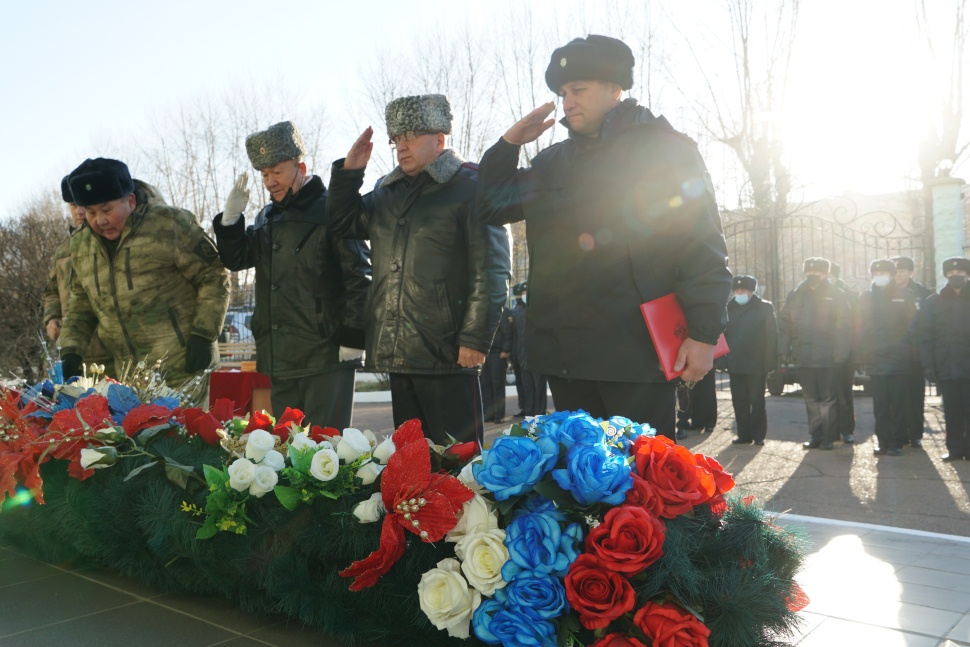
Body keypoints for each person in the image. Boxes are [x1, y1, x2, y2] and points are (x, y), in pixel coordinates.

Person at [475, 34, 732, 439]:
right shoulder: (553, 161)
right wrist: (509, 144)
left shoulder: (664, 150)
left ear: (615, 89)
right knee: (579, 487)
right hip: (567, 355)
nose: (567, 102)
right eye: (562, 93)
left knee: (644, 486)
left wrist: (703, 333)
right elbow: (489, 205)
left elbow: (701, 242)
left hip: (636, 355)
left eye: (578, 89)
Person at [327, 94, 511, 445]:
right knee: (411, 463)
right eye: (396, 138)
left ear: (440, 139)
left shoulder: (471, 187)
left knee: (457, 464)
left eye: (410, 135)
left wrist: (474, 338)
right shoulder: (387, 193)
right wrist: (349, 175)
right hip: (400, 352)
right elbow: (342, 224)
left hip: (448, 352)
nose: (401, 146)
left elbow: (492, 270)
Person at [213, 121, 371, 429]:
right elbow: (237, 259)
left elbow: (359, 275)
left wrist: (353, 337)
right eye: (264, 175)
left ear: (301, 166)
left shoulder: (332, 210)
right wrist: (231, 221)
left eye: (277, 172)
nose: (270, 182)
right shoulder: (266, 218)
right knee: (290, 452)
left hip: (326, 355)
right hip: (280, 358)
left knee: (328, 449)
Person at [58, 158, 230, 388]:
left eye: (107, 210)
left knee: (190, 426)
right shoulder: (81, 245)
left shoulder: (170, 225)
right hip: (129, 380)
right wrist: (71, 351)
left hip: (185, 369)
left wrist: (204, 334)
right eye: (90, 212)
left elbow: (214, 275)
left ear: (130, 200)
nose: (100, 220)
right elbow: (80, 304)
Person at [43, 175, 117, 378]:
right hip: (73, 350)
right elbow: (51, 291)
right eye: (73, 205)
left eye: (84, 205)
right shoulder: (63, 251)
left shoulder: (111, 240)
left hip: (111, 351)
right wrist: (52, 318)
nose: (79, 212)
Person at [778, 257, 852, 450]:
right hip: (804, 356)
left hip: (829, 357)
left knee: (827, 400)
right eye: (809, 271)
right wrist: (783, 350)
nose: (812, 275)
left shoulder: (837, 295)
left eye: (817, 272)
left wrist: (841, 353)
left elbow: (844, 326)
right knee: (811, 399)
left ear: (825, 273)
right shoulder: (796, 294)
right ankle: (815, 436)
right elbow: (785, 324)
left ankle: (828, 438)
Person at [858, 259, 919, 457]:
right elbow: (860, 326)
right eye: (876, 273)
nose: (880, 276)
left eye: (884, 272)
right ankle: (883, 442)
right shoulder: (866, 297)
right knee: (880, 405)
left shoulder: (905, 295)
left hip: (899, 360)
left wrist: (909, 352)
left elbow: (913, 327)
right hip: (876, 359)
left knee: (898, 404)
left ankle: (896, 443)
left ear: (892, 275)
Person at [918, 257, 970, 461]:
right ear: (946, 275)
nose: (955, 276)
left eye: (960, 273)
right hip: (946, 366)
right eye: (951, 274)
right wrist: (929, 365)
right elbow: (925, 337)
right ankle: (955, 449)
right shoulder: (933, 302)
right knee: (952, 411)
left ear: (967, 275)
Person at [718, 275, 777, 446]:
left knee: (757, 399)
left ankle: (758, 435)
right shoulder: (729, 307)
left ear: (752, 291)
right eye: (736, 291)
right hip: (735, 362)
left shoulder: (764, 307)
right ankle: (743, 434)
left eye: (743, 290)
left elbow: (771, 336)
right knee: (739, 400)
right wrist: (721, 360)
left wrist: (770, 361)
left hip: (757, 362)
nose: (739, 293)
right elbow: (721, 334)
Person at [892, 256, 933, 449]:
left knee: (915, 394)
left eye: (902, 271)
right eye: (896, 271)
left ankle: (915, 433)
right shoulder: (885, 292)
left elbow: (927, 323)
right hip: (893, 352)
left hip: (914, 352)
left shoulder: (923, 294)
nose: (898, 274)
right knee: (895, 396)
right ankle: (898, 433)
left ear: (910, 273)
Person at [509, 282, 548, 417]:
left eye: (526, 293)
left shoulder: (538, 310)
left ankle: (540, 412)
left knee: (539, 385)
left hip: (537, 355)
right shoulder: (517, 311)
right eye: (522, 293)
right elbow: (515, 335)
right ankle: (529, 411)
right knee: (527, 385)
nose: (523, 296)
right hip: (521, 354)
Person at [829, 262, 857, 443]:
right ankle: (831, 430)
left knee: (844, 392)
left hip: (845, 351)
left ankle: (846, 430)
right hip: (823, 350)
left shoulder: (849, 295)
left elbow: (855, 323)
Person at [481, 305, 512, 423]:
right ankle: (489, 414)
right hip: (485, 353)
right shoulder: (483, 310)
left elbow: (508, 333)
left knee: (497, 385)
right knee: (485, 385)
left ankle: (499, 415)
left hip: (498, 353)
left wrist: (505, 350)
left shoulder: (502, 311)